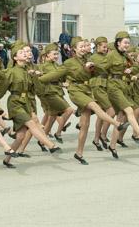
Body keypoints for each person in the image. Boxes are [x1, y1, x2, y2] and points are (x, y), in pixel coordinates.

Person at [38, 36, 126, 164]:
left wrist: (94, 67)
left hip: (87, 90)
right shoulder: (69, 63)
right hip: (76, 91)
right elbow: (54, 75)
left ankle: (79, 153)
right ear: (74, 49)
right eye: (81, 46)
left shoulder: (89, 60)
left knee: (85, 126)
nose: (84, 48)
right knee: (95, 106)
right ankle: (117, 124)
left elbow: (103, 71)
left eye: (85, 46)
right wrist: (39, 78)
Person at [0, 43, 62, 168]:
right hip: (15, 103)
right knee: (32, 123)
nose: (26, 54)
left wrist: (35, 77)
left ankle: (7, 160)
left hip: (26, 103)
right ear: (15, 58)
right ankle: (50, 145)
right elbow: (1, 90)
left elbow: (38, 90)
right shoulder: (11, 72)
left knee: (20, 136)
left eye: (25, 52)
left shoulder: (28, 71)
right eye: (21, 52)